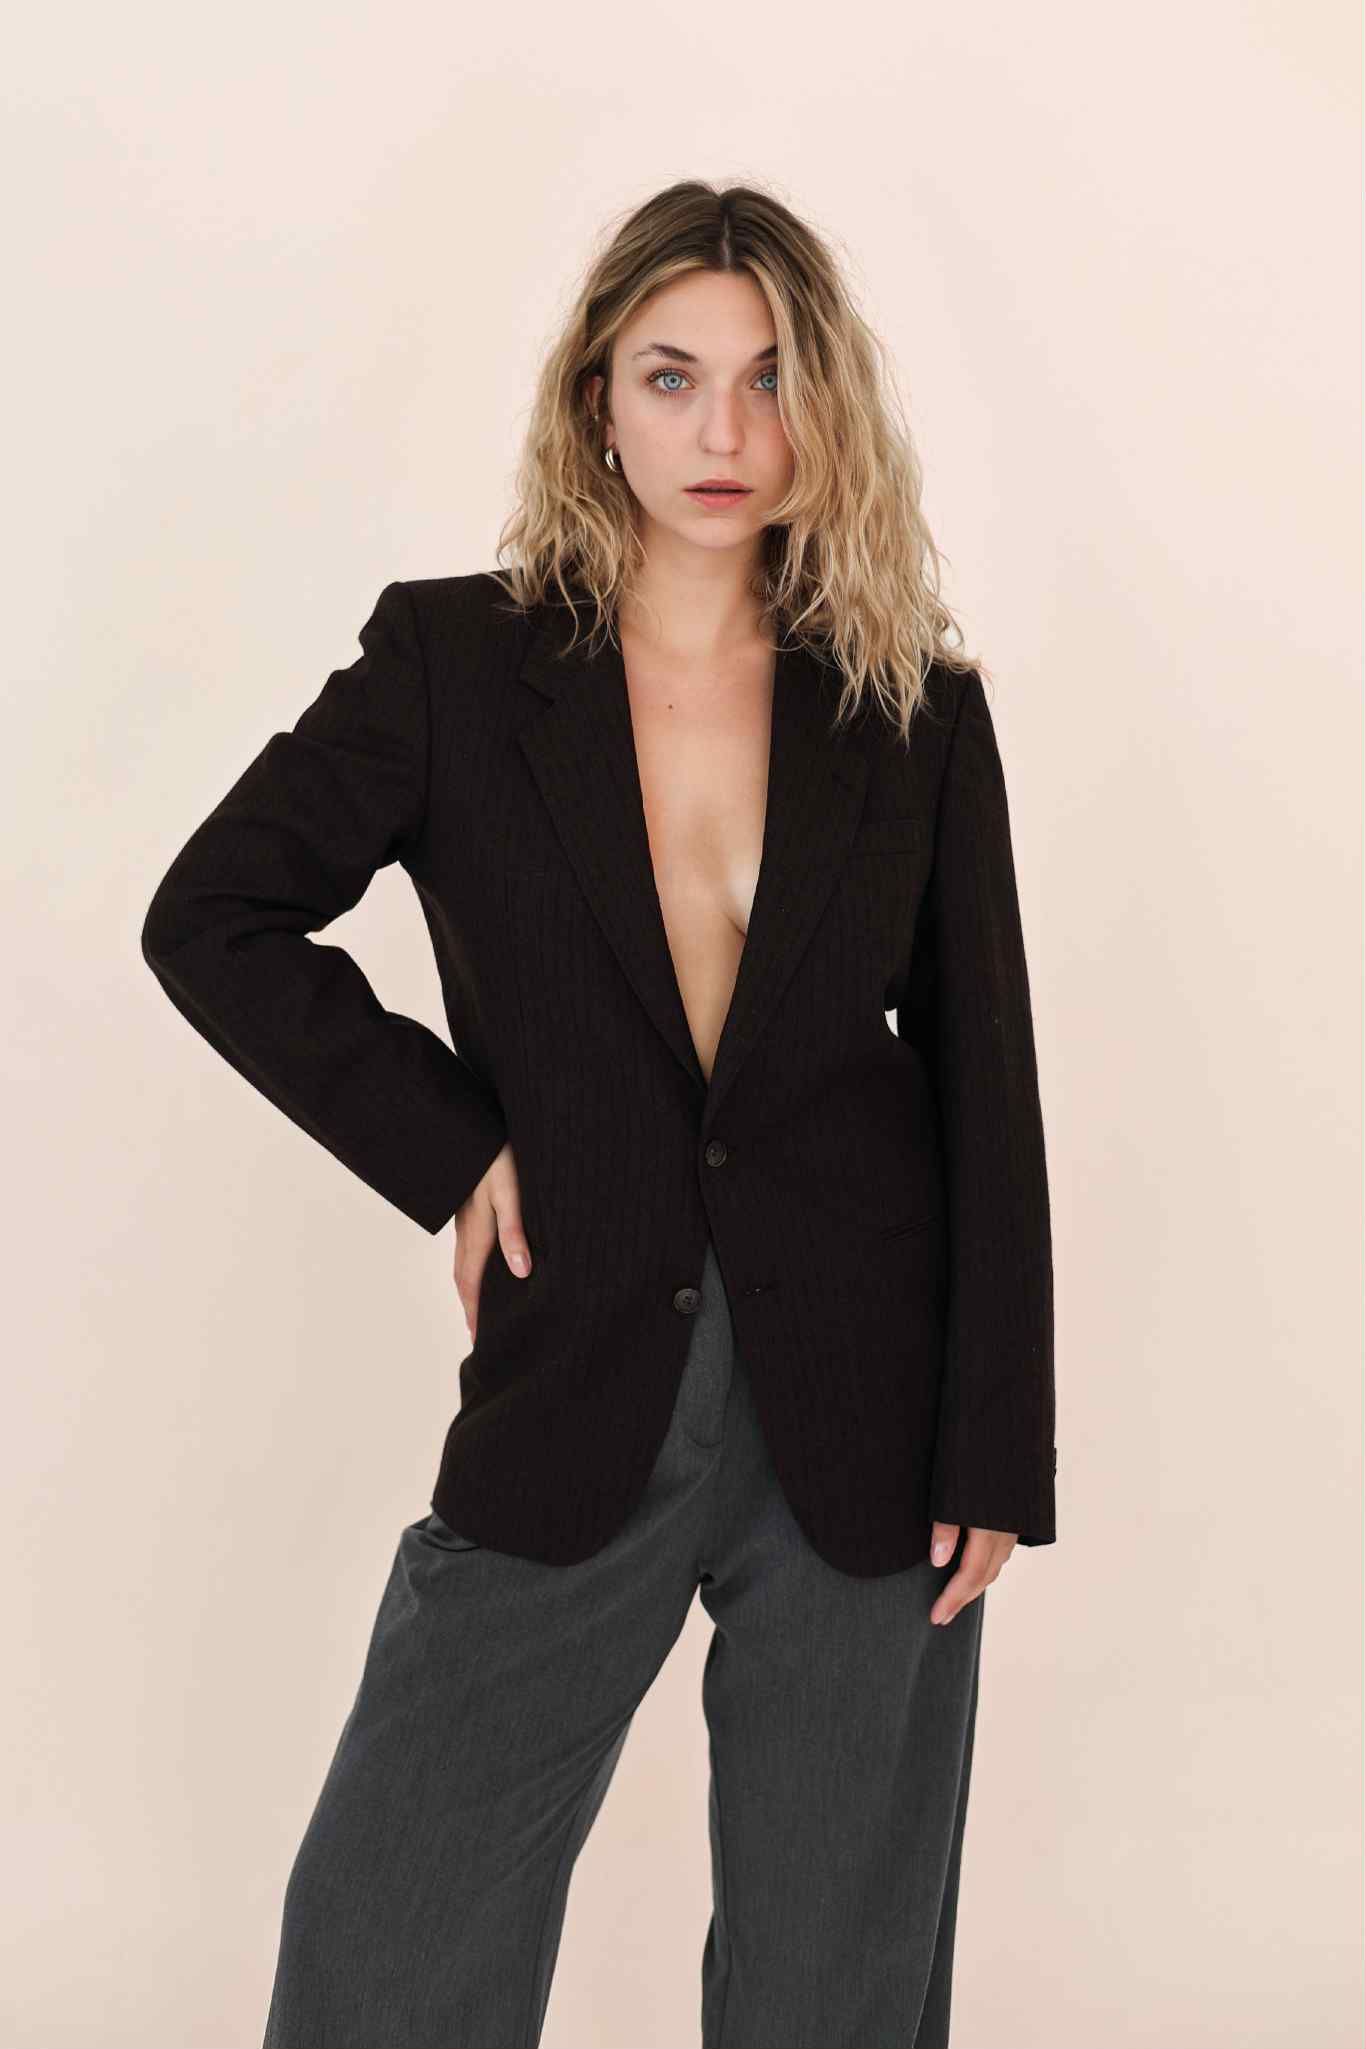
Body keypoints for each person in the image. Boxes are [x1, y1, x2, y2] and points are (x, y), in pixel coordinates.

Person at [141, 178, 1056, 2049]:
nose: (724, 430)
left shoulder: (910, 707)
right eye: (671, 375)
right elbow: (211, 916)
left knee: (834, 1990)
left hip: (868, 1414)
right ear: (596, 399)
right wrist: (451, 1145)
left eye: (770, 378)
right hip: (576, 1373)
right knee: (389, 1949)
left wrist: (997, 1443)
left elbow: (986, 1082)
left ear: (825, 409)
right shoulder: (452, 666)